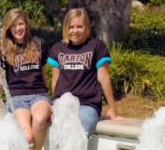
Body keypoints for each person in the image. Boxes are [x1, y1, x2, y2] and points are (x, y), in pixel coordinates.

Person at [0, 8, 52, 150]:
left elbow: (43, 73)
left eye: (21, 24)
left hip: (39, 95)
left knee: (40, 118)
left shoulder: (39, 44)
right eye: (14, 25)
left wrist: (51, 98)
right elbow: (1, 78)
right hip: (17, 98)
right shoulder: (4, 49)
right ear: (9, 28)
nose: (18, 28)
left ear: (26, 25)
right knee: (28, 137)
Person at [47, 8, 123, 137]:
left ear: (86, 27)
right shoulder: (57, 48)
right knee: (55, 134)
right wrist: (55, 103)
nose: (74, 31)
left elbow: (103, 78)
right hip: (63, 103)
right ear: (66, 28)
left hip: (87, 104)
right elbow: (55, 79)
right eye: (71, 27)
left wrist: (112, 108)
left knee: (79, 134)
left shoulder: (96, 46)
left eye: (79, 27)